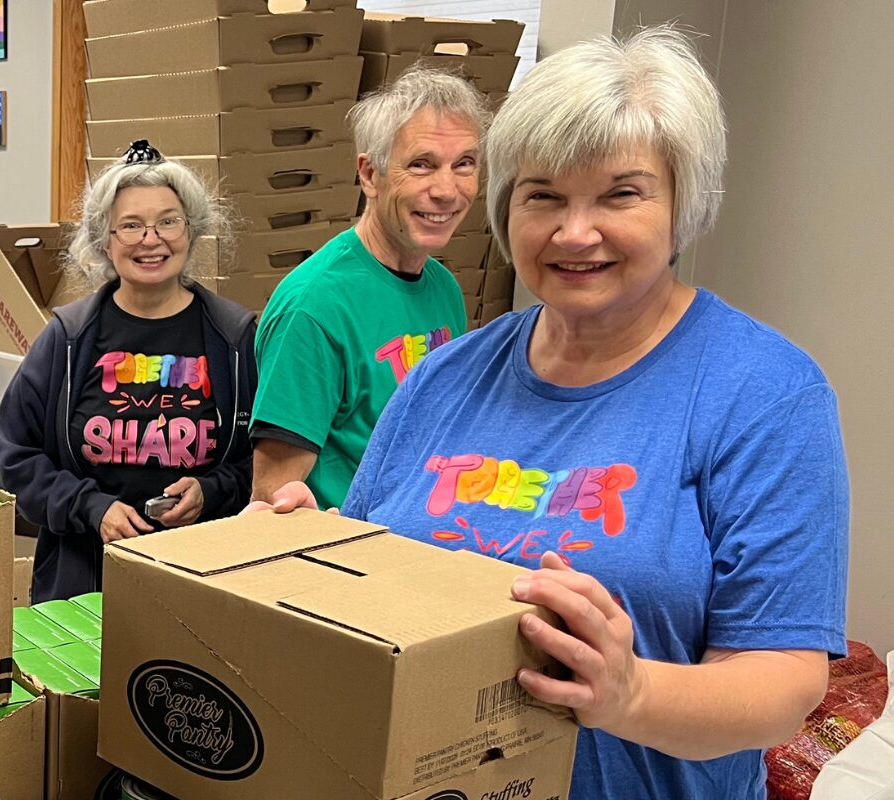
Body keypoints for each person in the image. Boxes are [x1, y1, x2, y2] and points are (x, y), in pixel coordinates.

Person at [257, 26, 847, 799]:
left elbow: (784, 683)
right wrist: (309, 561)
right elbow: (378, 587)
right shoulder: (443, 377)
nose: (575, 232)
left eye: (620, 193)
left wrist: (630, 693)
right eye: (543, 196)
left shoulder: (765, 394)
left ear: (682, 203)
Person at [0, 141, 256, 602]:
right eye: (130, 226)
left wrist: (210, 490)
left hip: (204, 578)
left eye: (168, 221)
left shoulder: (234, 339)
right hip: (84, 579)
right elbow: (17, 455)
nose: (151, 239)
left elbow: (261, 462)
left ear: (192, 231)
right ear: (104, 241)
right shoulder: (68, 338)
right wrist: (90, 508)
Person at [248, 66, 485, 510]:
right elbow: (271, 501)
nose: (447, 190)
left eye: (464, 164)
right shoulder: (314, 308)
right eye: (422, 164)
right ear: (370, 175)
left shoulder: (445, 289)